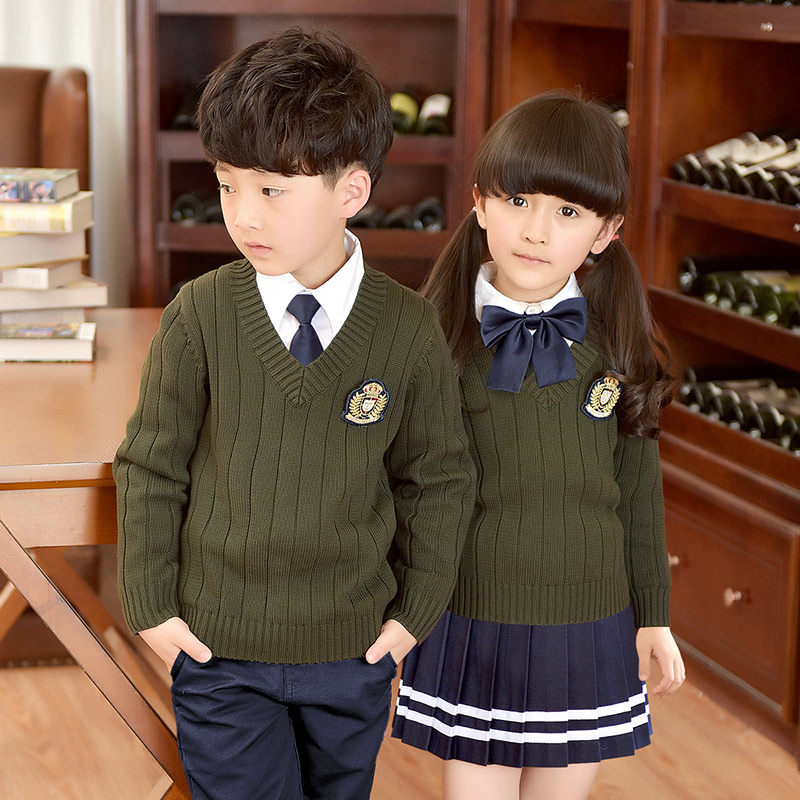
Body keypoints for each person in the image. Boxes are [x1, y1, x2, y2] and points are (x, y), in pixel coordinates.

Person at [114, 28, 475, 800]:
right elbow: (150, 465)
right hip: (218, 656)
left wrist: (414, 615)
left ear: (352, 192)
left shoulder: (407, 329)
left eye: (271, 190)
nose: (243, 215)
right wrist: (149, 605)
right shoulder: (200, 314)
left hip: (353, 654)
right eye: (226, 185)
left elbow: (437, 481)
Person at [391, 91, 685, 800]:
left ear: (606, 232)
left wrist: (654, 615)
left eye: (568, 213)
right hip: (473, 616)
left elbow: (638, 495)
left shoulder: (617, 350)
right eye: (518, 200)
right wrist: (397, 606)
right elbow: (405, 493)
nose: (536, 231)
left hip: (589, 622)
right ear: (479, 203)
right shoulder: (431, 344)